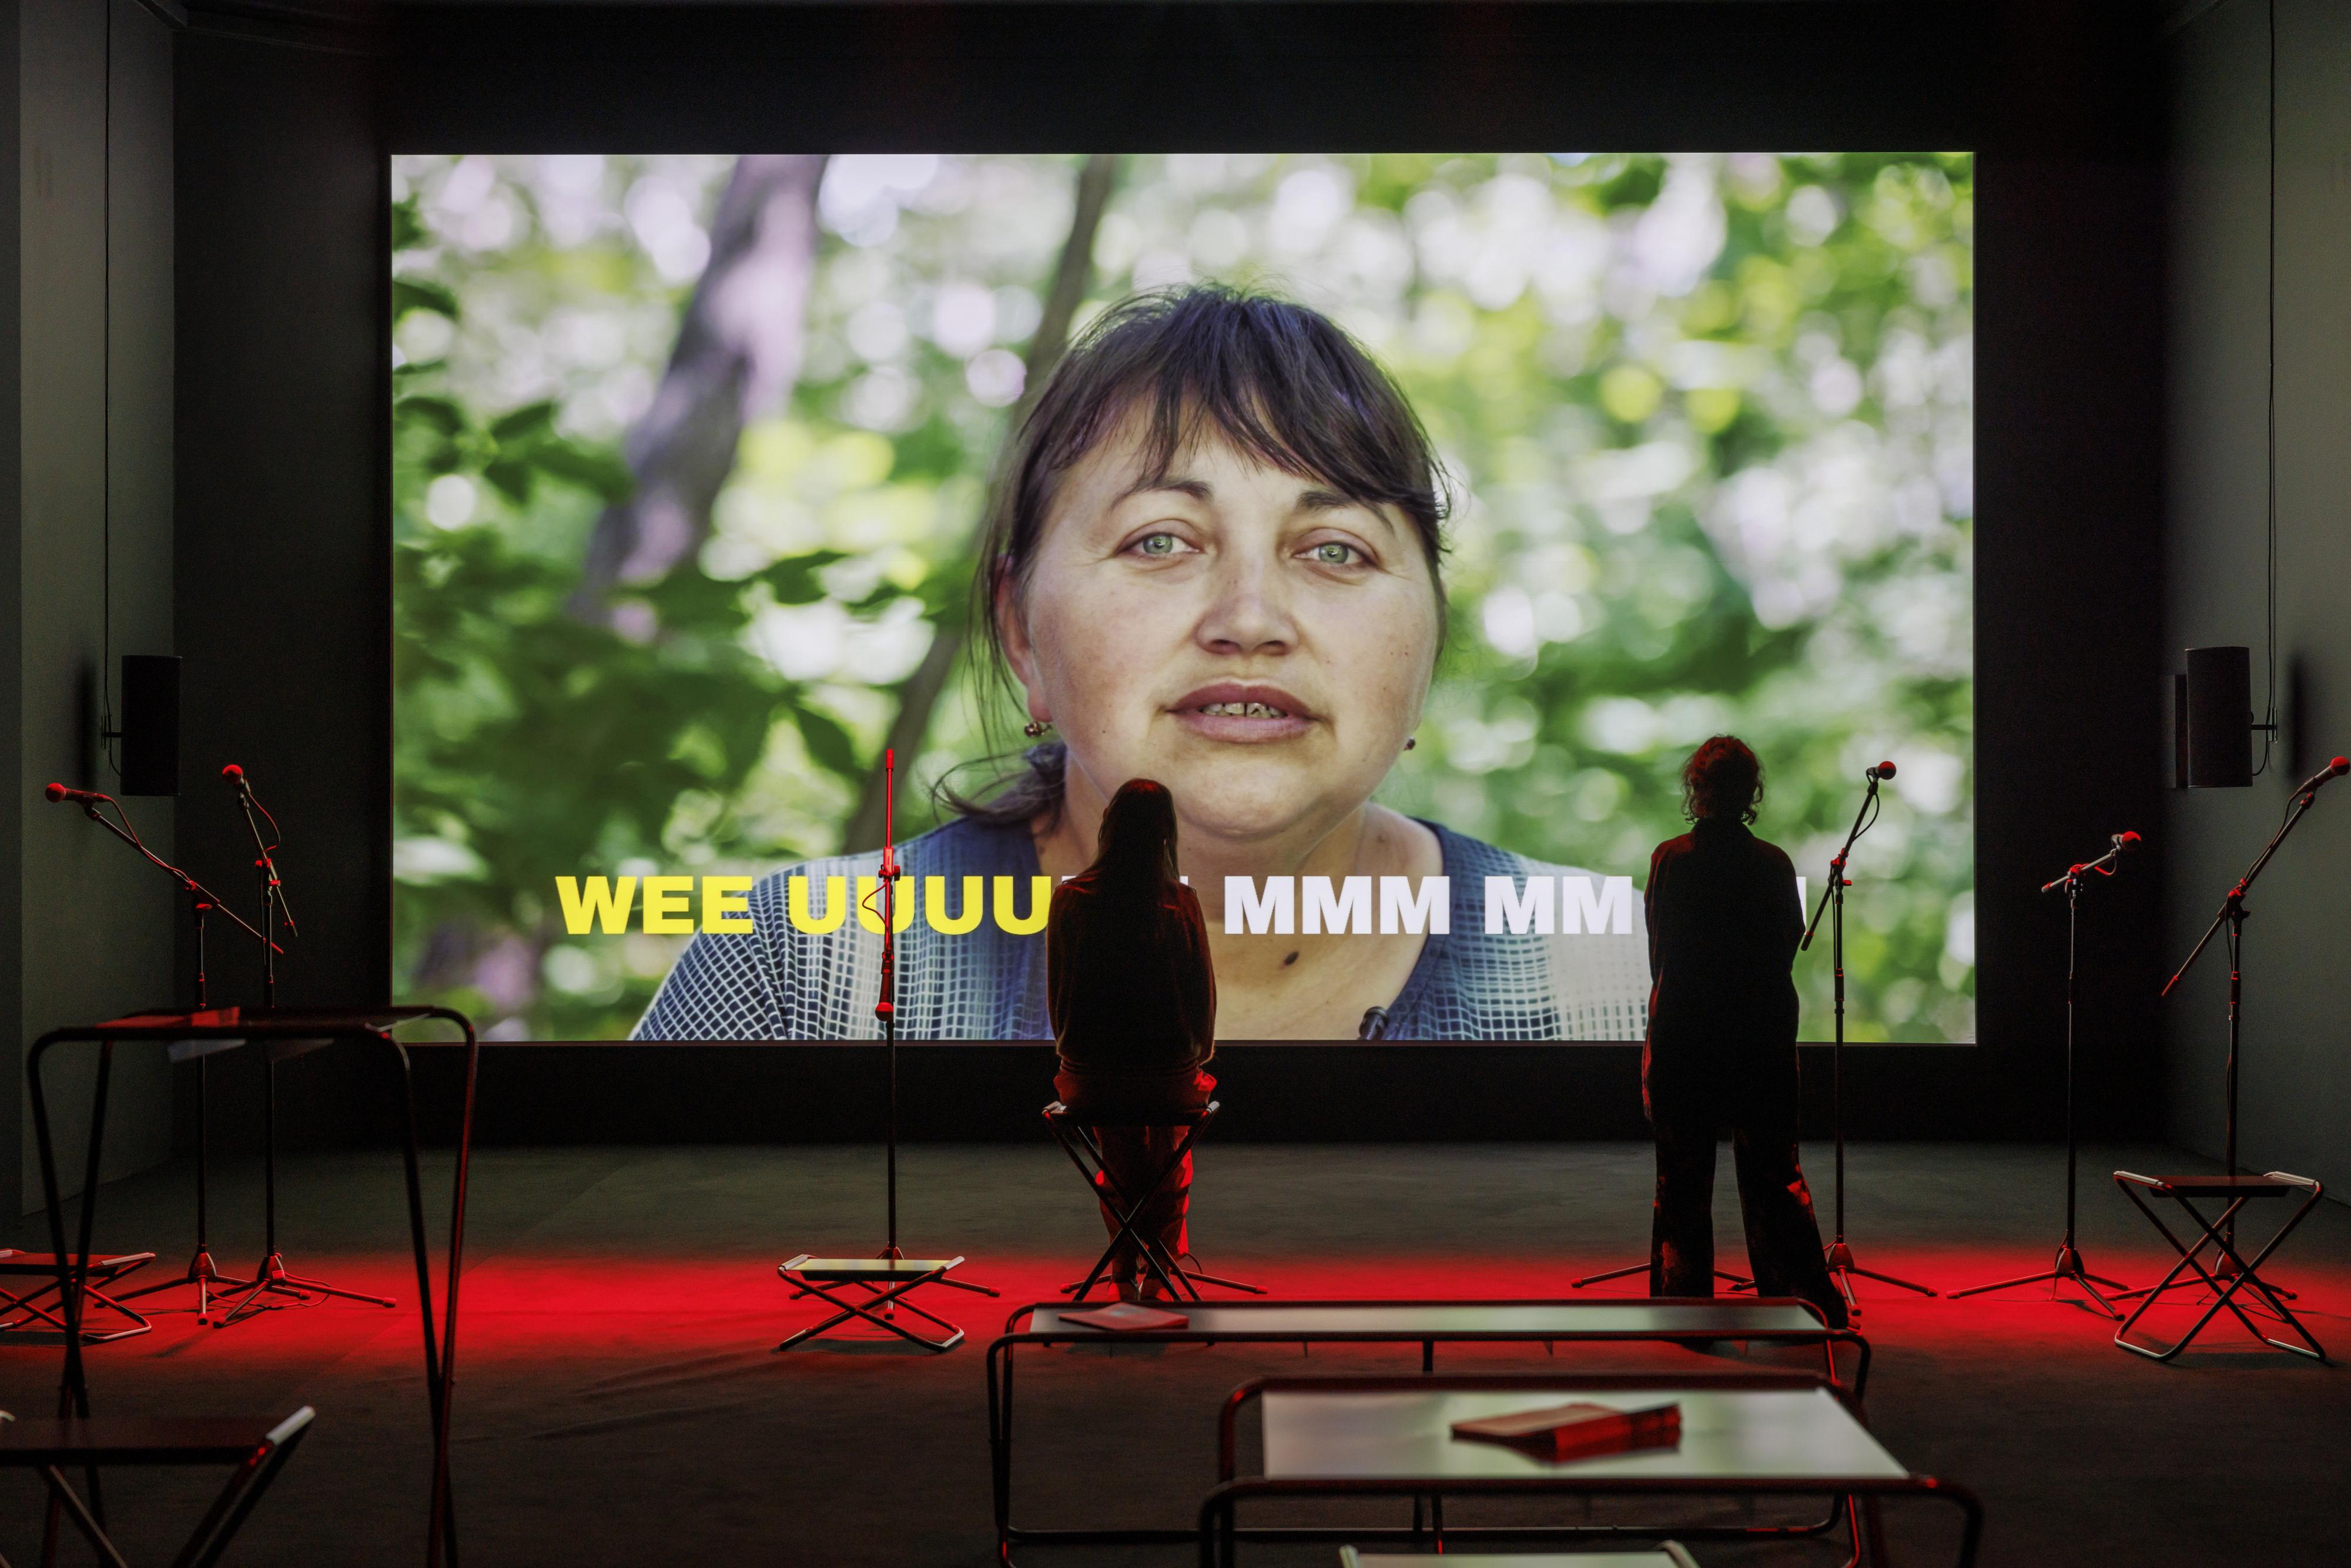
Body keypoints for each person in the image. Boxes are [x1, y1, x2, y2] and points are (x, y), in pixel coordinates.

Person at [635, 285, 1647, 1042]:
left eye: (1336, 549)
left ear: (1427, 638)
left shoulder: (1616, 976)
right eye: (1161, 540)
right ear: (1022, 631)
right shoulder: (804, 973)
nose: (1251, 620)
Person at [1643, 735, 1847, 1328]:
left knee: (1681, 1180)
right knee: (1773, 1179)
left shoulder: (1671, 859)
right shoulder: (1774, 862)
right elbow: (1784, 948)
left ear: (1695, 789)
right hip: (1759, 1037)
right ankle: (1798, 1303)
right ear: (1750, 792)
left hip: (1686, 1035)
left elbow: (1663, 957)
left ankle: (1683, 1310)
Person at [1046, 778, 1217, 1300]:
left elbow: (1058, 1000)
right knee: (1170, 1156)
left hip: (1090, 1080)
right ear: (1166, 834)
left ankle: (1122, 1268)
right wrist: (1195, 1058)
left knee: (1118, 1157)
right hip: (1168, 1079)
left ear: (1108, 828)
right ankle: (1160, 1269)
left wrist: (1078, 1055)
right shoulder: (1180, 901)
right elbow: (1201, 998)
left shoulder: (1072, 899)